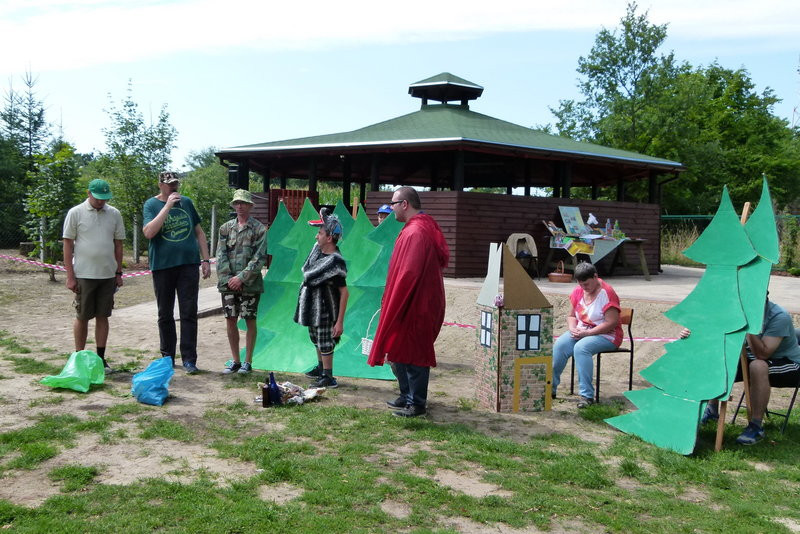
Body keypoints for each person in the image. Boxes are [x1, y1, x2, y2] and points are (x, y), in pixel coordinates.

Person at [367, 186, 450, 417]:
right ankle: (407, 395)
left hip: (415, 304)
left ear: (405, 204)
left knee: (414, 352)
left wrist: (395, 302)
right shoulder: (416, 228)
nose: (390, 208)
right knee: (397, 347)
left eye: (393, 203)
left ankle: (417, 403)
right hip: (411, 302)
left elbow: (409, 274)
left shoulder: (417, 232)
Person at [698, 299, 800, 445]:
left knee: (757, 366)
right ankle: (712, 411)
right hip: (754, 359)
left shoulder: (778, 316)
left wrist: (748, 328)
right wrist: (692, 333)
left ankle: (756, 426)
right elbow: (716, 336)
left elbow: (763, 354)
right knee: (721, 361)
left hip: (790, 364)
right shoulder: (735, 310)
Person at [142, 171, 211, 374]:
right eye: (169, 184)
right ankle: (167, 358)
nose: (174, 188)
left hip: (188, 265)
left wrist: (205, 259)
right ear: (160, 185)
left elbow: (199, 232)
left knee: (189, 312)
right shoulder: (151, 205)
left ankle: (189, 359)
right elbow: (149, 232)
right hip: (163, 266)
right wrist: (167, 206)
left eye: (175, 184)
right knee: (165, 313)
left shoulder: (187, 203)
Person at [62, 179, 125, 370]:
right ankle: (79, 357)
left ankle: (100, 358)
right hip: (84, 274)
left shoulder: (114, 214)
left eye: (105, 199)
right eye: (98, 198)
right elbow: (67, 243)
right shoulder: (75, 213)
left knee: (103, 316)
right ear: (88, 193)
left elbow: (119, 244)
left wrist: (118, 272)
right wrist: (70, 276)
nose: (101, 202)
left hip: (107, 275)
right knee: (82, 316)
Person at [551, 262, 622, 408]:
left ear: (595, 277)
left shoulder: (607, 293)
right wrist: (572, 328)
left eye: (587, 284)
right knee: (560, 345)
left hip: (607, 335)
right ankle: (549, 388)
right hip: (581, 330)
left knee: (581, 348)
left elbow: (612, 322)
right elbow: (571, 316)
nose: (584, 288)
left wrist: (588, 333)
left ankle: (586, 395)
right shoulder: (578, 291)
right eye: (581, 284)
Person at [294, 209, 349, 388]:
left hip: (325, 308)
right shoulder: (317, 252)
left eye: (320, 233)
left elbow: (344, 292)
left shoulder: (335, 261)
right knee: (316, 338)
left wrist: (339, 321)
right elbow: (307, 270)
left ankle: (329, 376)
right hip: (312, 307)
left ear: (329, 238)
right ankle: (320, 368)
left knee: (325, 341)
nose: (316, 237)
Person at [216, 189, 268, 375]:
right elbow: (220, 255)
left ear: (250, 206)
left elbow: (259, 258)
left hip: (250, 284)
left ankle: (248, 361)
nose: (239, 206)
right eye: (237, 203)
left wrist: (241, 278)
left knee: (249, 319)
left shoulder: (259, 229)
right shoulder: (225, 228)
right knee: (230, 319)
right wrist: (229, 279)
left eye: (243, 203)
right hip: (228, 283)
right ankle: (235, 360)